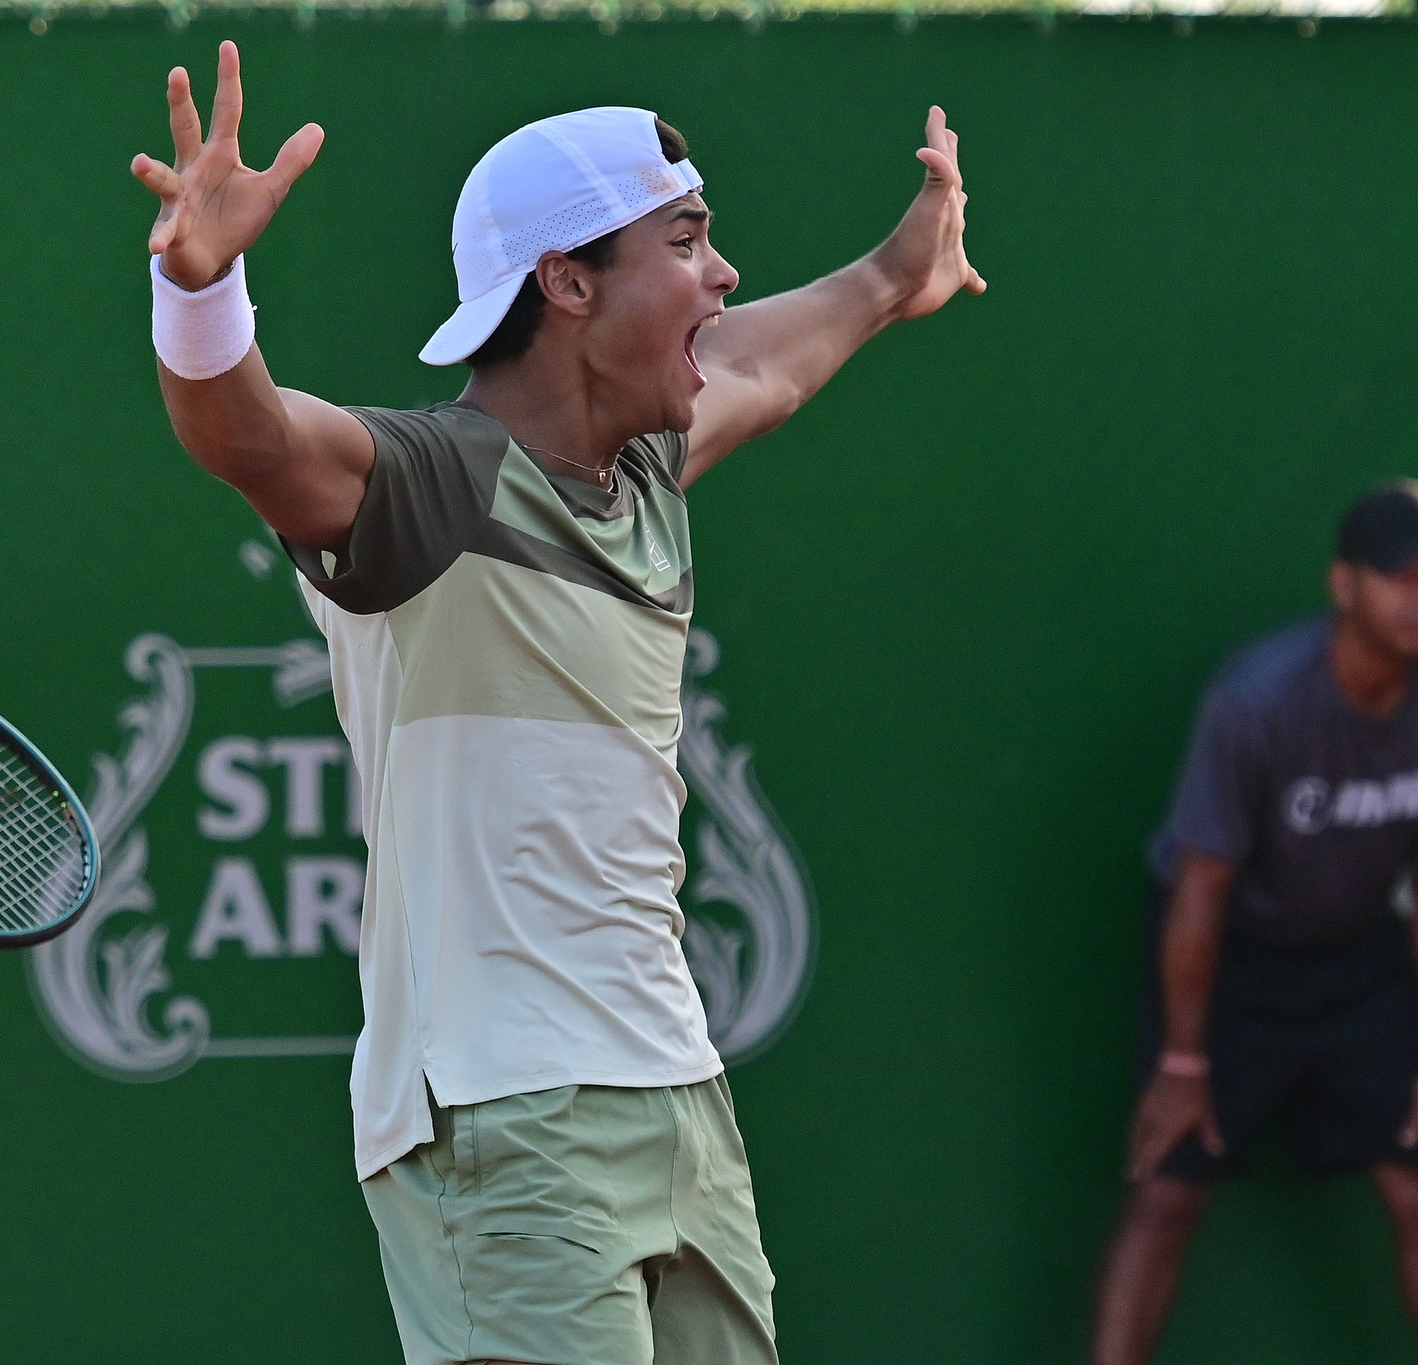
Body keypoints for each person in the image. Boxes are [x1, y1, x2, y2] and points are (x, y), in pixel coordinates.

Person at [131, 42, 984, 1365]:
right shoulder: (432, 485)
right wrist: (201, 286)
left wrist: (893, 271)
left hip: (679, 1097)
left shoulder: (646, 470)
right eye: (688, 240)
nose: (724, 274)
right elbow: (252, 439)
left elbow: (772, 362)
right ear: (569, 280)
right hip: (497, 1109)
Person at [1091, 484, 1418, 1364]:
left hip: (1362, 966)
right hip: (1227, 963)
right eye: (1402, 579)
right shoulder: (1258, 700)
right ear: (1344, 586)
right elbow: (1201, 885)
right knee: (1167, 1192)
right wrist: (1186, 1060)